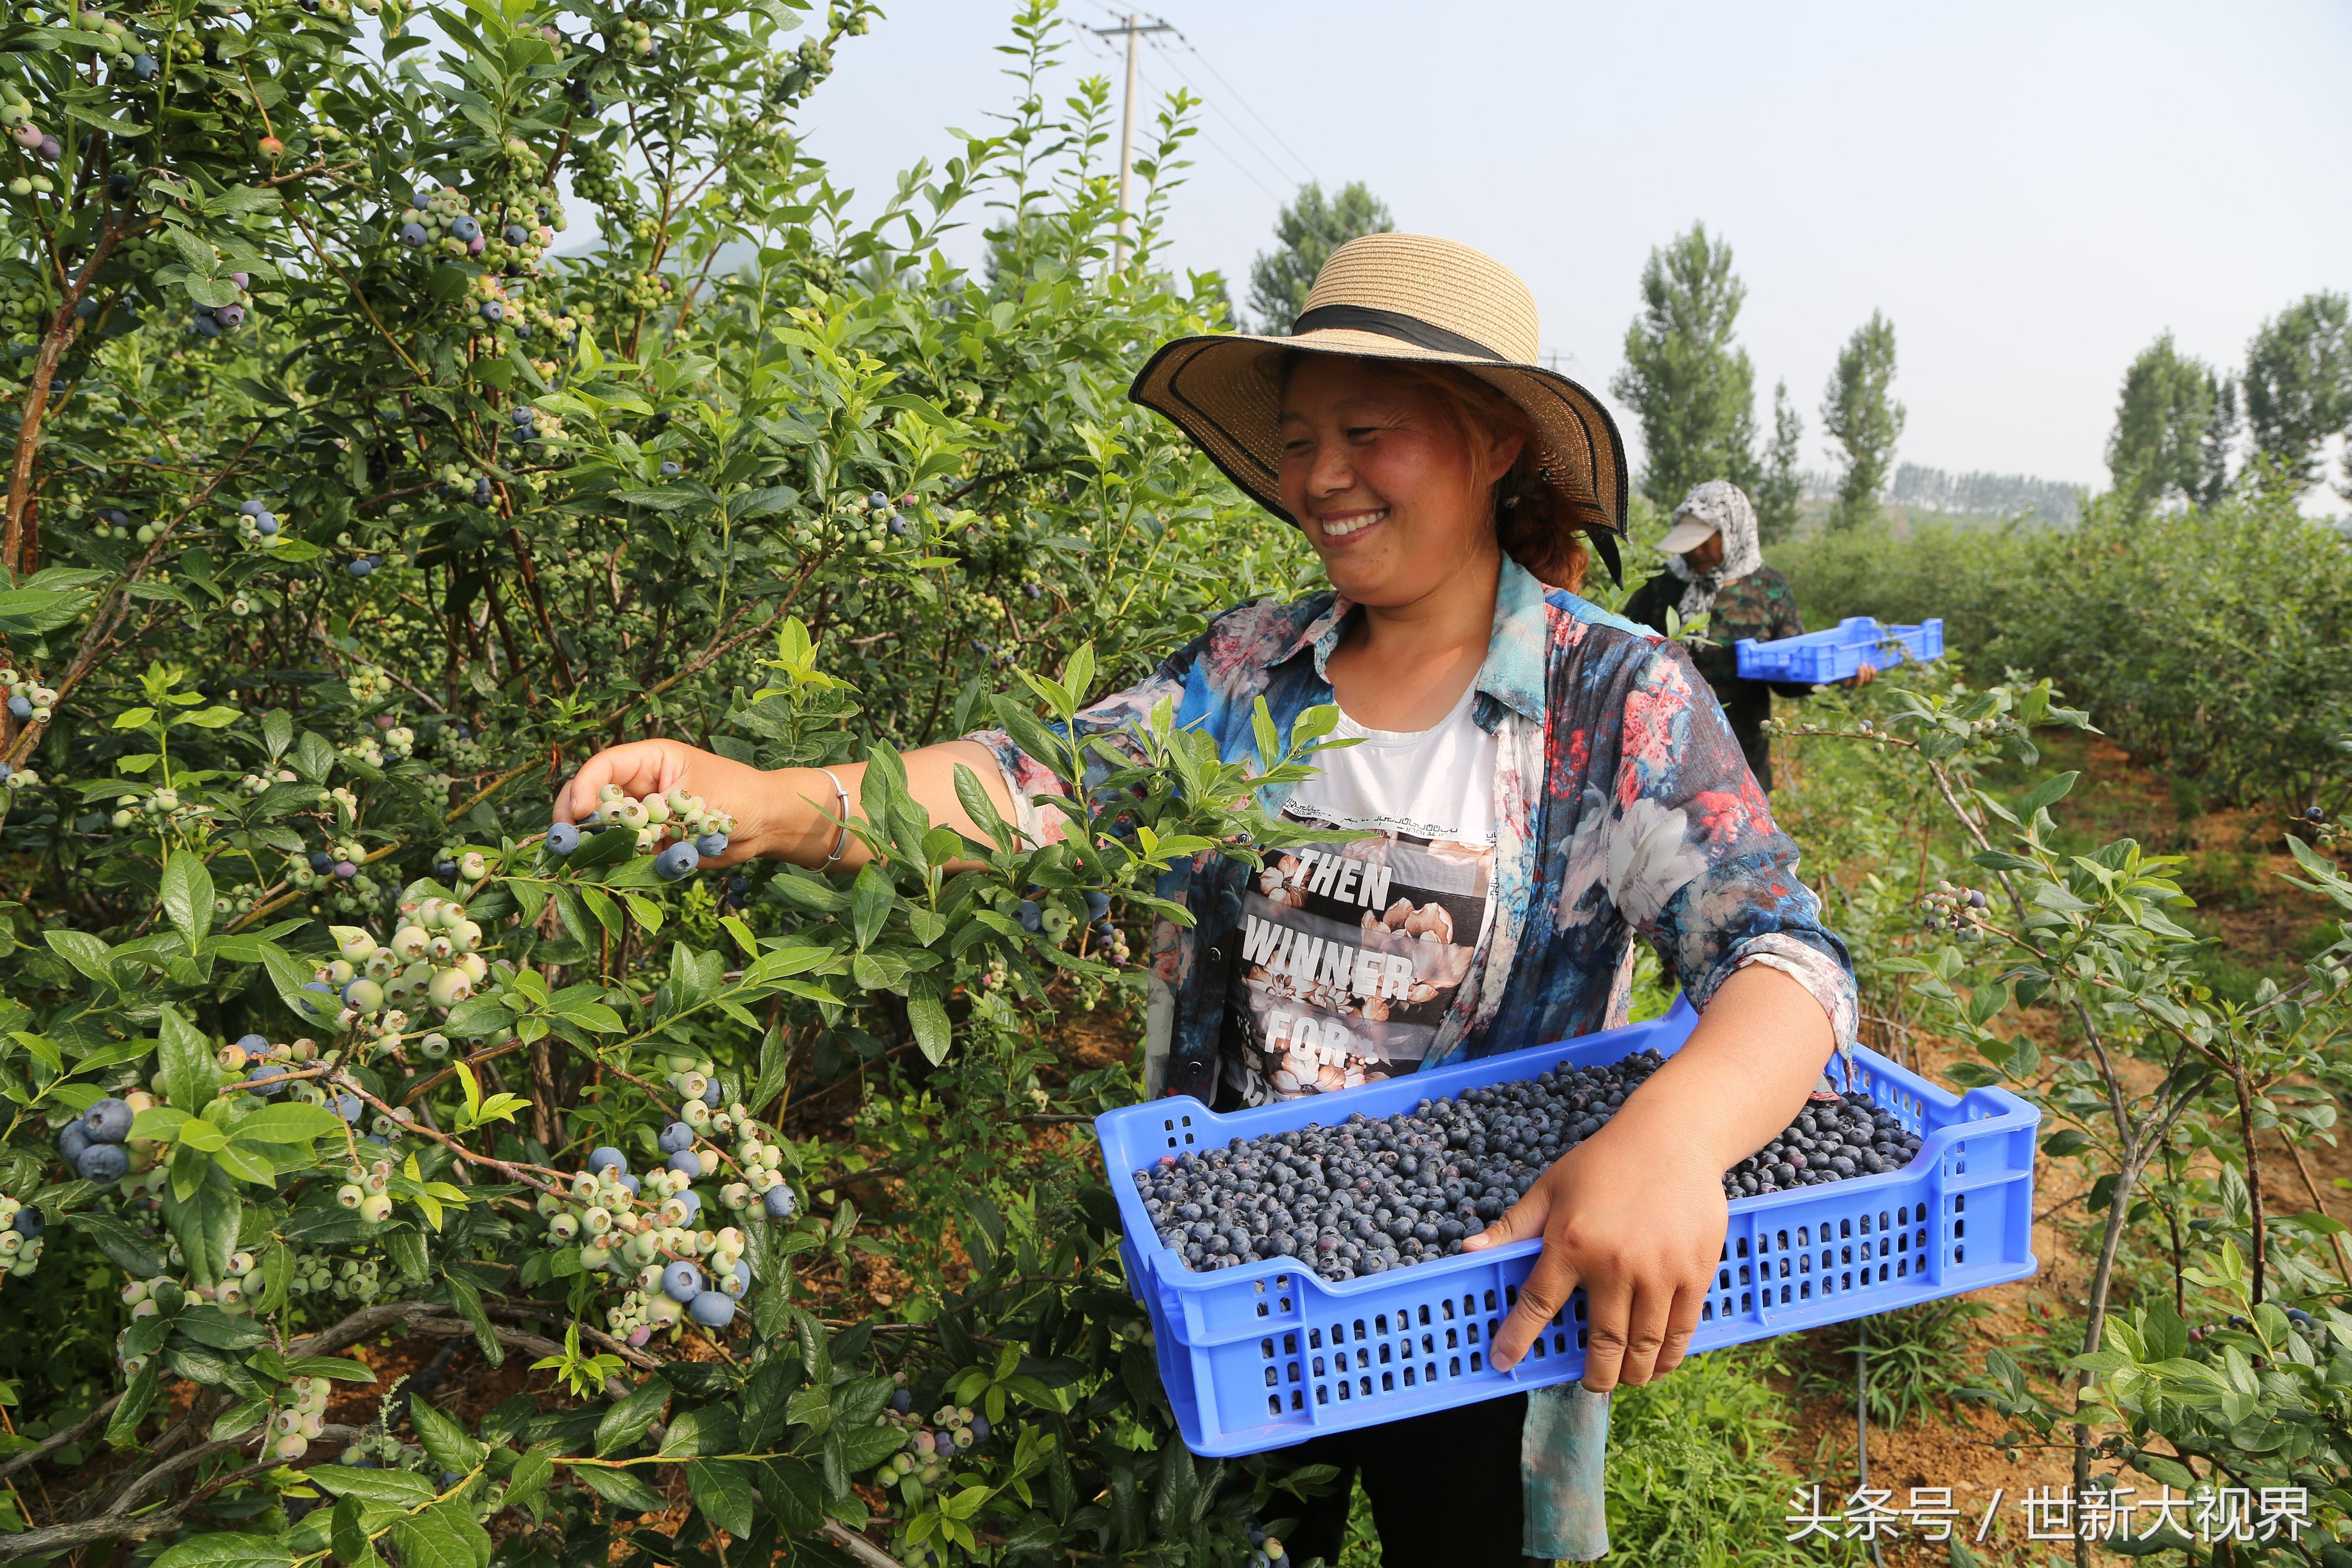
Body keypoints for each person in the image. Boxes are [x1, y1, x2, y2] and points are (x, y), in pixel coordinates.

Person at [554, 234, 1857, 1566]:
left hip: (1486, 1308)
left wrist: (1670, 1143)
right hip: (1255, 1287)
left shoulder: (1610, 699)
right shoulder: (1247, 669)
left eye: (1367, 431)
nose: (1321, 478)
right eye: (1299, 441)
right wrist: (765, 800)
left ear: (1494, 446)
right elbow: (1033, 782)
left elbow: (1787, 962)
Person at [1619, 480, 1870, 792]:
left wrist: (1839, 675)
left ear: (1733, 533)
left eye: (1706, 540)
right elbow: (1622, 653)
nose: (1696, 551)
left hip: (1740, 751)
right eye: (1689, 540)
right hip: (1661, 746)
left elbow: (1787, 677)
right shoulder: (1660, 584)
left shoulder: (1770, 589)